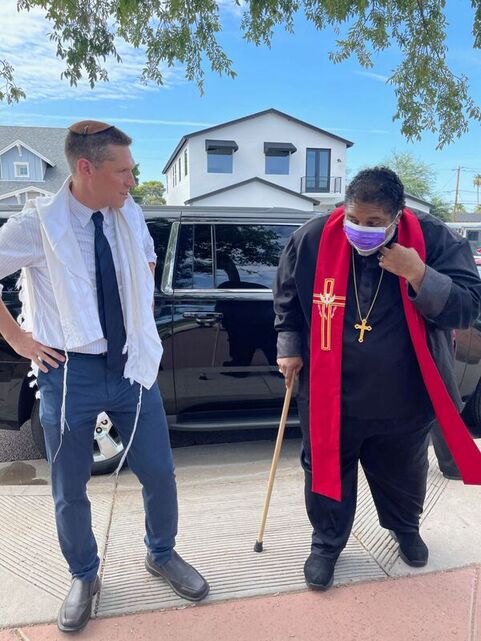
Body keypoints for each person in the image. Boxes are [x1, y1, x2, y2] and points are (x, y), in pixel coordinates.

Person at [0, 121, 209, 632]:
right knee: (70, 484)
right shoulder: (38, 225)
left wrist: (141, 316)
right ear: (86, 168)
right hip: (70, 371)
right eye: (124, 172)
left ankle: (161, 553)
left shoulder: (128, 213)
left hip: (132, 365)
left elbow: (147, 262)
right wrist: (20, 339)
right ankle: (84, 575)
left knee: (158, 470)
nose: (132, 181)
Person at [273, 166, 481, 591]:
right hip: (332, 394)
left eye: (374, 222)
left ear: (398, 216)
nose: (360, 230)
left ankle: (405, 528)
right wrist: (289, 346)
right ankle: (327, 543)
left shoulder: (434, 239)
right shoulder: (313, 237)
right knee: (325, 470)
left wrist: (418, 272)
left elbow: (468, 307)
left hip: (404, 394)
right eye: (353, 218)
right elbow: (287, 298)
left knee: (403, 472)